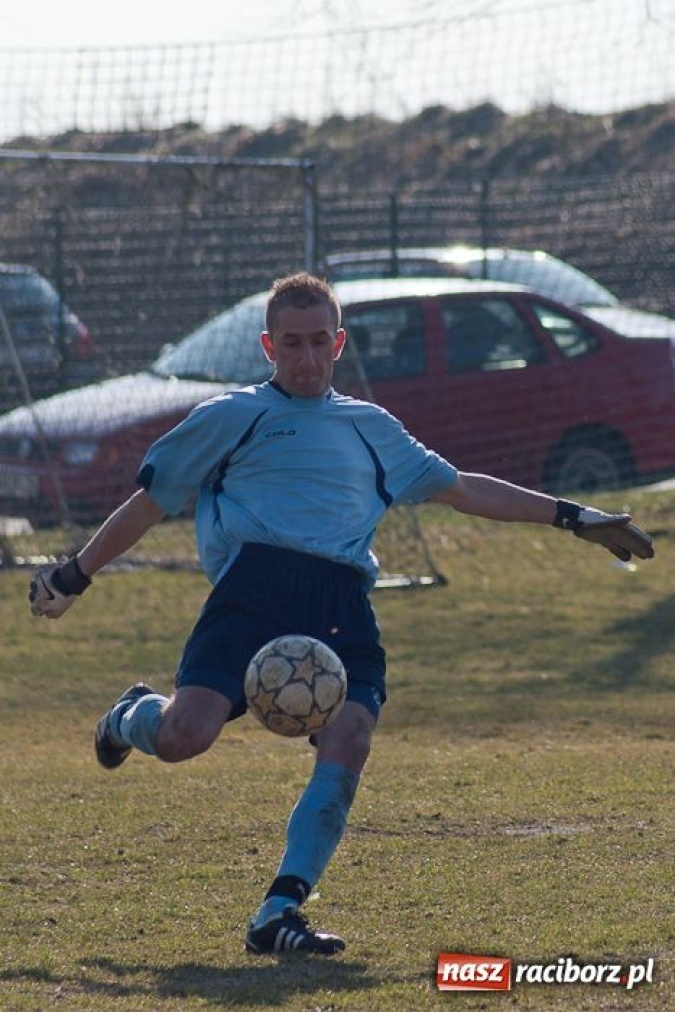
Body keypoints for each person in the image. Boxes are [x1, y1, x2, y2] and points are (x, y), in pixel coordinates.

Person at [29, 272, 654, 957]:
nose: (304, 357)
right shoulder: (230, 417)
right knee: (184, 737)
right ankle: (129, 715)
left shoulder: (369, 427)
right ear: (268, 346)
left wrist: (573, 516)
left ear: (338, 343)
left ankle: (278, 911)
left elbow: (463, 489)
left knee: (349, 739)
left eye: (318, 342)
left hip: (341, 606)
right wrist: (75, 573)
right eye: (290, 343)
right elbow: (151, 502)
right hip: (252, 594)